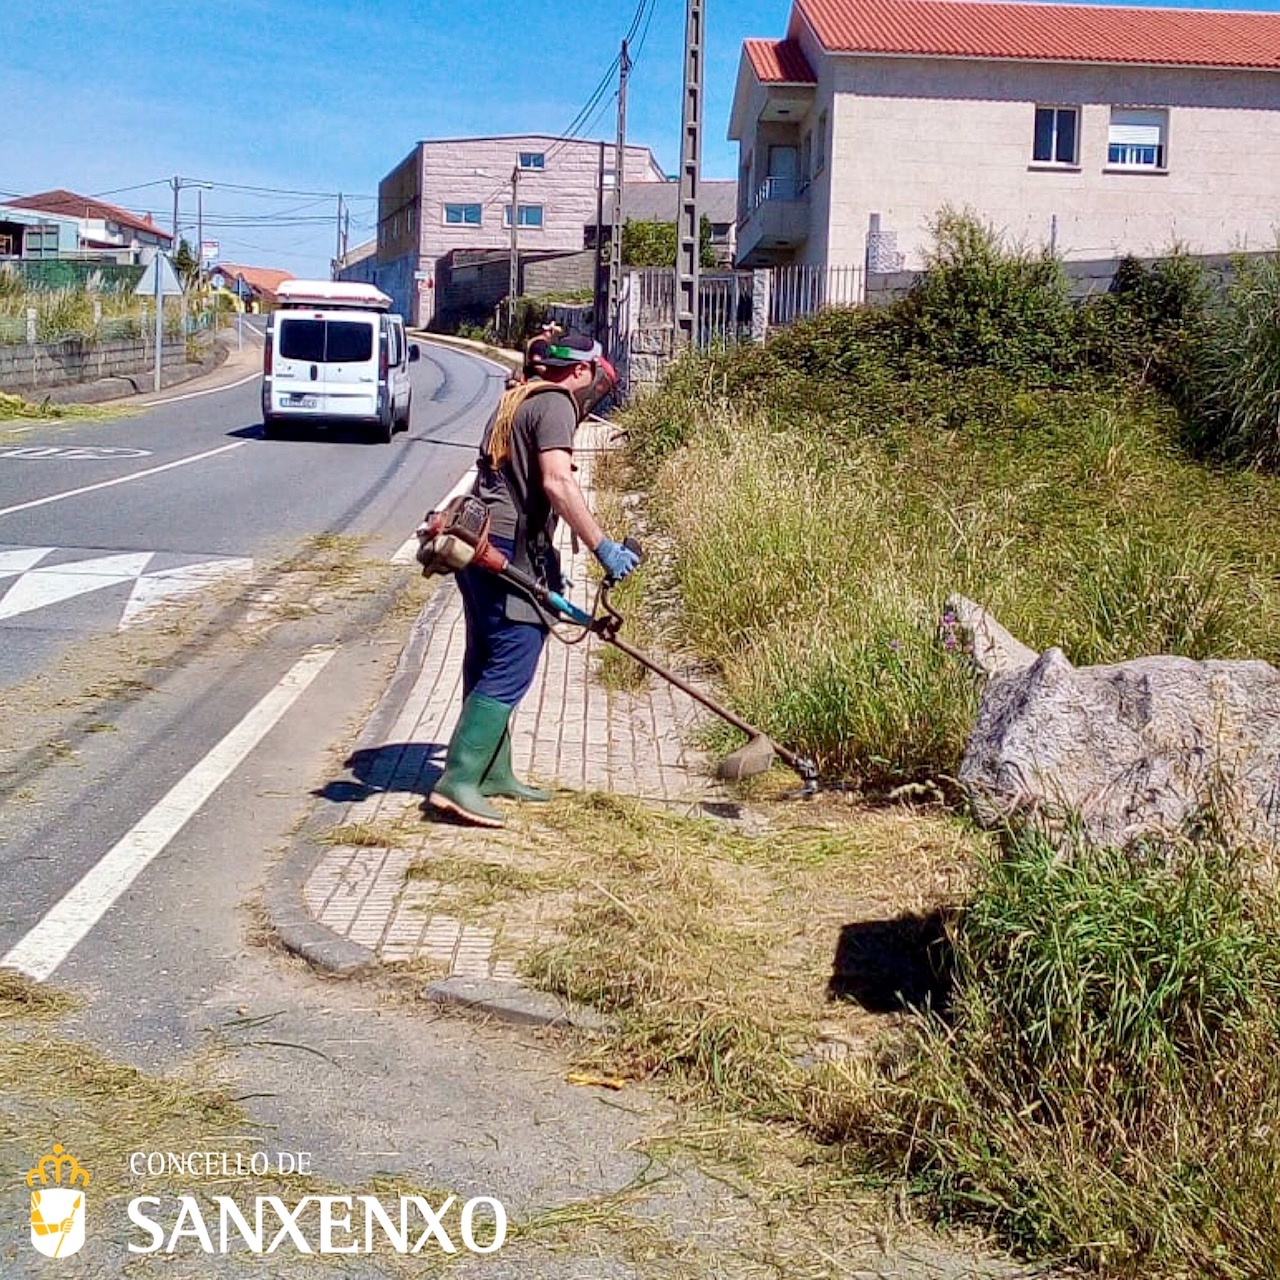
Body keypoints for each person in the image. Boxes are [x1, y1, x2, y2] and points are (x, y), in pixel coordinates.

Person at [429, 332, 639, 828]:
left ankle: (492, 771)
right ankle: (457, 780)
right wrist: (603, 547)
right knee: (514, 656)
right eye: (594, 381)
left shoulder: (517, 395)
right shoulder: (556, 404)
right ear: (581, 372)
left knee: (486, 652)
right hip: (507, 550)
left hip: (478, 540)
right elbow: (556, 482)